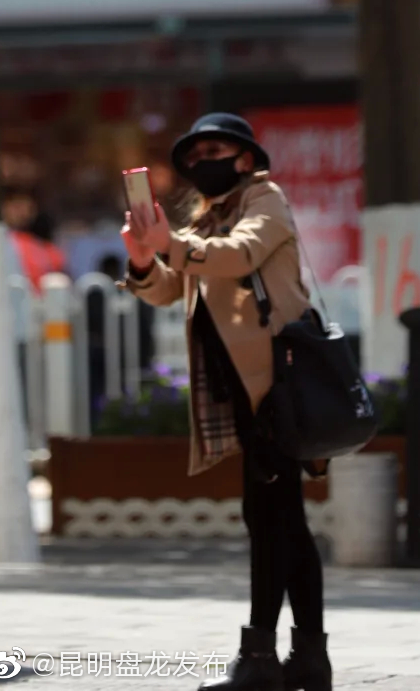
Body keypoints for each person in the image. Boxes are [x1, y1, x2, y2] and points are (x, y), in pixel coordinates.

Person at [121, 112, 331, 691]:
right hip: (238, 387)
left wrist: (171, 243)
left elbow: (239, 254)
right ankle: (308, 658)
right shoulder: (206, 218)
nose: (202, 162)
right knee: (280, 519)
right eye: (194, 155)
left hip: (276, 386)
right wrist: (144, 259)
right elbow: (172, 288)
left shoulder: (266, 200)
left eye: (214, 151)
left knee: (271, 518)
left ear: (245, 157)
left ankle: (262, 659)